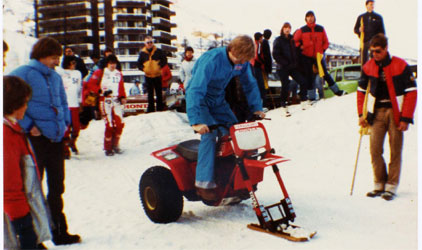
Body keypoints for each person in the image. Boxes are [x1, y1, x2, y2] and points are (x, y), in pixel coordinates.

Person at [9, 37, 81, 245]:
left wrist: (66, 123)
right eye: (53, 57)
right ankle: (34, 236)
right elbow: (7, 99)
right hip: (36, 141)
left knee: (57, 187)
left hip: (56, 140)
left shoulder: (56, 77)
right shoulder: (23, 73)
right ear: (41, 55)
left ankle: (59, 230)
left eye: (58, 57)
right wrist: (27, 125)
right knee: (33, 188)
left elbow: (62, 101)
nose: (56, 61)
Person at [186, 35, 266, 201]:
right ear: (231, 50)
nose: (239, 63)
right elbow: (195, 90)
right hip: (200, 99)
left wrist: (256, 108)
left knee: (237, 133)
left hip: (217, 100)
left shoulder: (241, 63)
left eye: (243, 60)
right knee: (210, 134)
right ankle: (203, 183)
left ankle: (240, 179)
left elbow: (250, 84)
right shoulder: (212, 60)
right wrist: (196, 121)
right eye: (238, 59)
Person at [357, 33, 417, 201]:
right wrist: (362, 114)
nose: (374, 55)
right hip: (376, 113)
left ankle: (391, 186)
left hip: (395, 112)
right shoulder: (368, 66)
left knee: (395, 150)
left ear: (385, 49)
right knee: (375, 149)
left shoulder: (401, 65)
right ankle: (379, 183)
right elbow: (361, 92)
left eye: (377, 51)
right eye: (371, 52)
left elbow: (411, 93)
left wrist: (406, 118)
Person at [3, 76, 53, 250]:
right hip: (16, 217)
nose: (26, 107)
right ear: (13, 104)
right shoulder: (6, 134)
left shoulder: (13, 128)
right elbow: (8, 183)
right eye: (24, 102)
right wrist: (23, 225)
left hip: (20, 212)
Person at [294, 10, 346, 107]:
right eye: (308, 17)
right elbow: (295, 41)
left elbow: (326, 42)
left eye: (312, 16)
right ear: (306, 19)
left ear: (314, 17)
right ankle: (311, 97)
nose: (310, 18)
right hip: (307, 56)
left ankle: (337, 91)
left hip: (318, 55)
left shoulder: (321, 29)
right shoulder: (302, 30)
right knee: (309, 76)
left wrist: (322, 50)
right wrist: (300, 46)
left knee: (325, 73)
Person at [88, 55, 126, 156]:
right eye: (110, 63)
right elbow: (90, 84)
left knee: (120, 124)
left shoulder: (118, 73)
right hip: (104, 101)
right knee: (109, 125)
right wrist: (100, 91)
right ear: (107, 63)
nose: (112, 65)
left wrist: (123, 97)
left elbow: (121, 86)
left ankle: (115, 144)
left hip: (116, 100)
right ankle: (108, 147)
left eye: (114, 63)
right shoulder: (100, 72)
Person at [273, 22, 308, 116]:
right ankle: (283, 106)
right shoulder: (278, 40)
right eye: (285, 28)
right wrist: (285, 63)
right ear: (282, 29)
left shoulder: (292, 39)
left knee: (303, 81)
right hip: (282, 67)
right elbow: (275, 54)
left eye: (289, 28)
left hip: (293, 67)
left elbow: (296, 51)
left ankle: (304, 101)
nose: (287, 29)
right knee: (285, 85)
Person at [59, 55, 82, 158]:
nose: (73, 65)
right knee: (66, 128)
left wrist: (80, 101)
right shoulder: (60, 73)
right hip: (65, 104)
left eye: (74, 63)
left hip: (74, 103)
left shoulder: (78, 74)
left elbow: (79, 88)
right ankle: (65, 149)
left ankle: (72, 141)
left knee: (76, 127)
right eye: (72, 63)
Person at [137, 36, 168, 112]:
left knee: (158, 92)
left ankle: (159, 108)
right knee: (150, 93)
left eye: (151, 42)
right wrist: (144, 69)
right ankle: (150, 109)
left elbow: (165, 60)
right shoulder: (142, 53)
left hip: (157, 75)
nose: (150, 44)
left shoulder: (158, 51)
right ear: (145, 43)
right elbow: (138, 64)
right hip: (148, 76)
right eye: (148, 42)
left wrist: (159, 66)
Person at [354, 0, 385, 65]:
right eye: (370, 4)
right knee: (364, 61)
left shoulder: (378, 17)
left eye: (373, 5)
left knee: (375, 61)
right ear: (366, 5)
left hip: (375, 43)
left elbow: (382, 32)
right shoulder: (361, 17)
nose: (372, 6)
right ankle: (364, 73)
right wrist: (359, 30)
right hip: (364, 42)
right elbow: (355, 29)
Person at [251, 32, 267, 107]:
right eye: (261, 38)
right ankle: (262, 104)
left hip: (252, 66)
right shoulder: (258, 45)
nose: (262, 39)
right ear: (259, 38)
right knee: (260, 85)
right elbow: (257, 56)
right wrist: (263, 62)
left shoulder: (252, 44)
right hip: (256, 66)